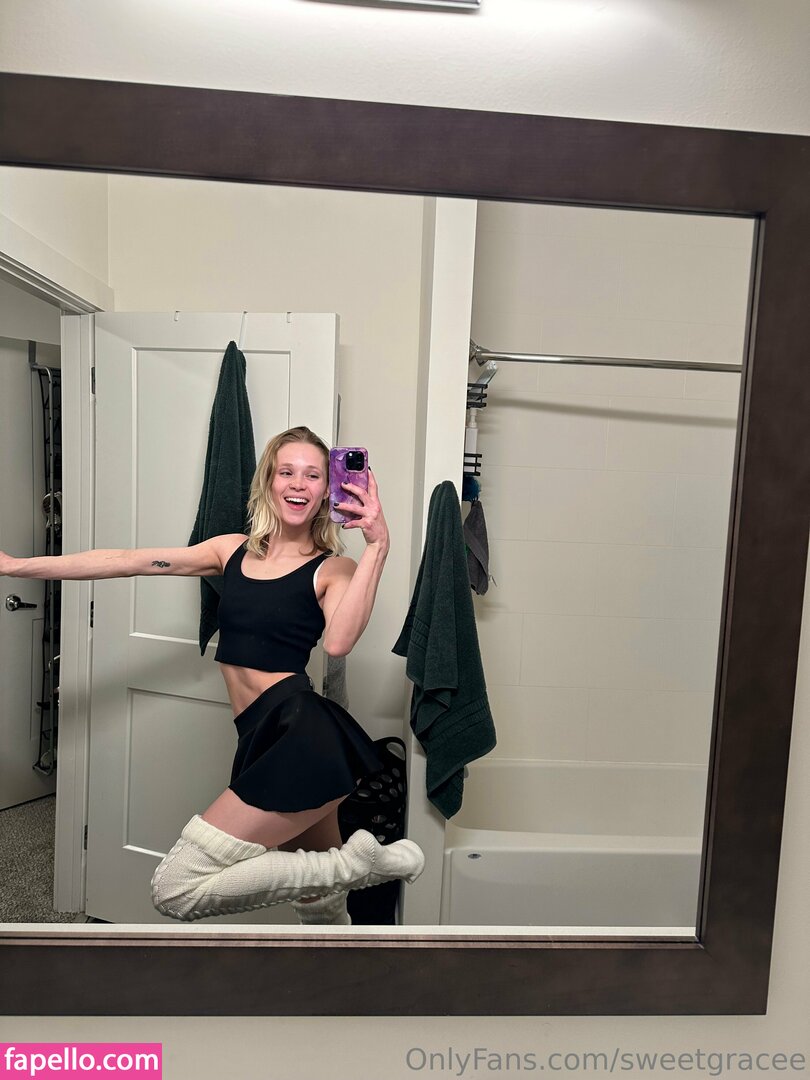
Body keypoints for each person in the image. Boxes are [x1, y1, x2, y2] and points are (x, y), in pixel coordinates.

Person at [0, 425, 424, 926]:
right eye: (286, 471)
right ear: (268, 481)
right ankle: (344, 938)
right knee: (321, 902)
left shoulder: (332, 569)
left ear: (327, 489)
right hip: (258, 734)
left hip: (300, 731)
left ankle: (356, 866)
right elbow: (130, 561)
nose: (298, 484)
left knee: (176, 889)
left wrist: (378, 546)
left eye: (313, 475)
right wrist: (14, 566)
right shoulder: (231, 550)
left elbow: (338, 643)